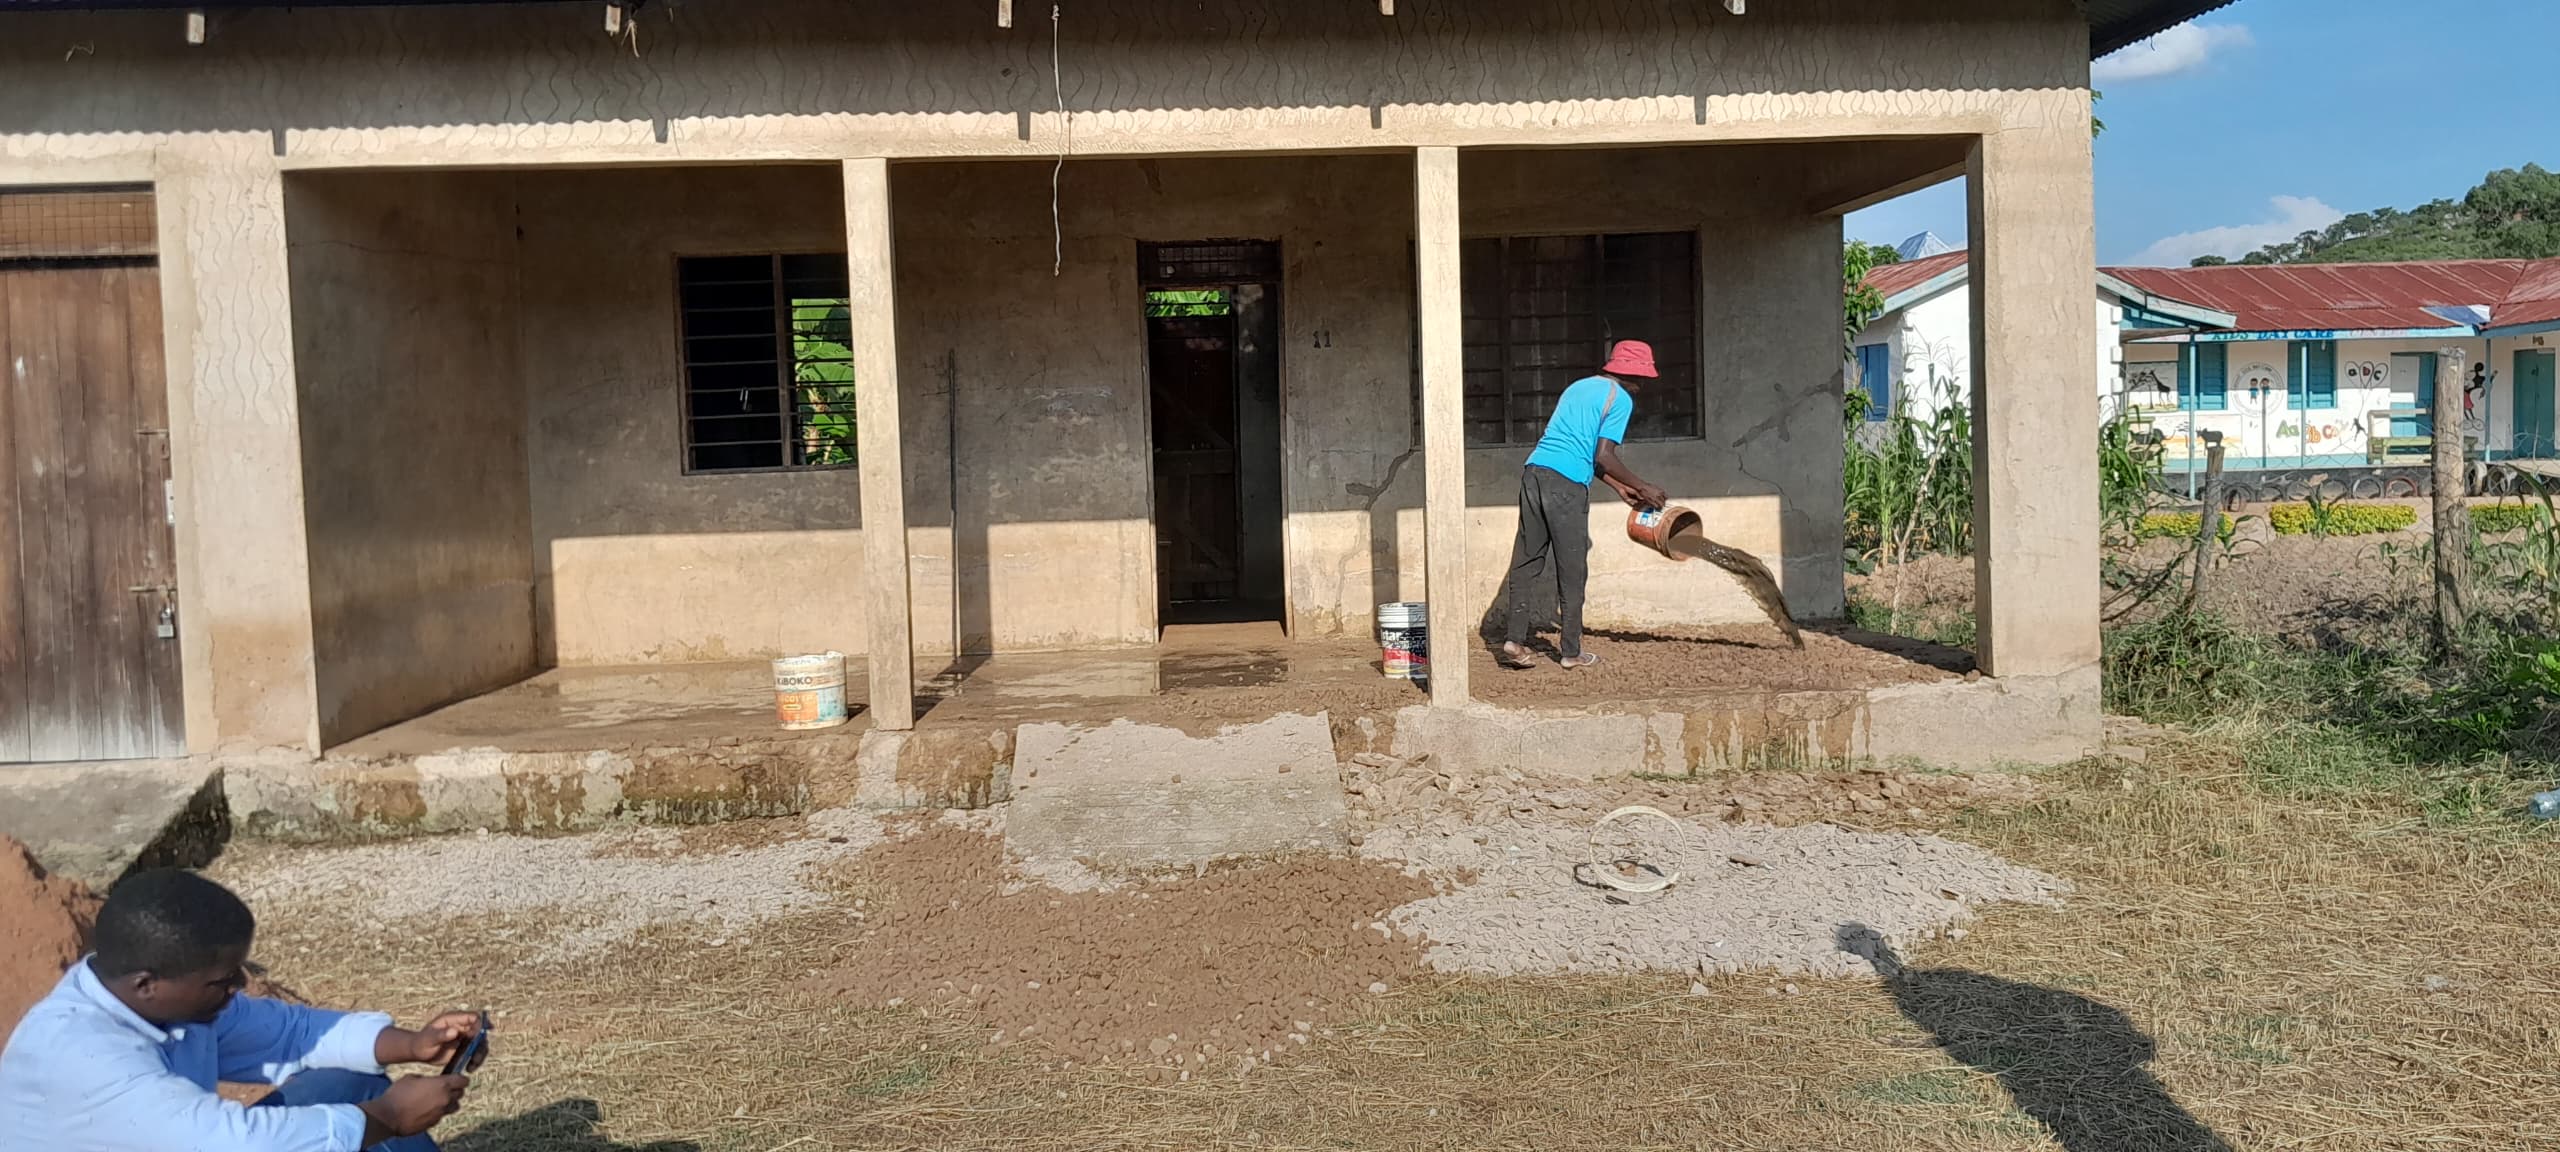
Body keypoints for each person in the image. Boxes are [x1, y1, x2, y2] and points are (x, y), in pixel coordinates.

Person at [0, 868, 485, 1152]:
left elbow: (290, 1035)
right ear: (146, 984)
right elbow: (233, 1144)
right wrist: (390, 1118)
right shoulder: (80, 1057)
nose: (240, 985)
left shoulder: (169, 1006)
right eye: (222, 979)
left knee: (345, 1083)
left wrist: (411, 1045)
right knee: (359, 1117)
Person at [1499, 339, 1669, 670]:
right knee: (1572, 568)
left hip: (1534, 472)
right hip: (1566, 486)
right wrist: (1642, 486)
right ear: (1634, 375)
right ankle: (1571, 652)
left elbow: (1577, 448)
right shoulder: (1620, 399)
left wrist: (1619, 487)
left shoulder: (1580, 387)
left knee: (1526, 561)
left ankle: (1513, 642)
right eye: (1644, 379)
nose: (1644, 386)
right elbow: (1603, 454)